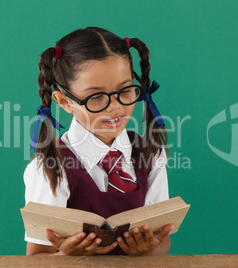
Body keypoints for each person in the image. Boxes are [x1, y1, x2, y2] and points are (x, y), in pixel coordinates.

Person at [24, 26, 173, 256]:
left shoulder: (151, 153)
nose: (115, 107)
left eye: (125, 90)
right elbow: (36, 256)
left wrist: (149, 248)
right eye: (96, 97)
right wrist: (66, 256)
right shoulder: (50, 167)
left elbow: (162, 241)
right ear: (64, 101)